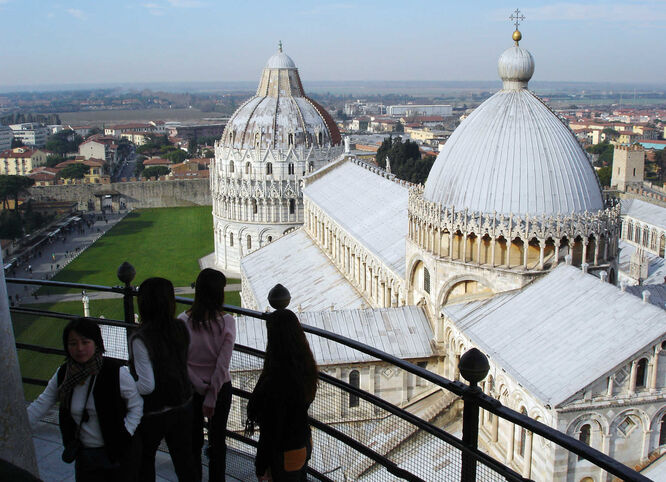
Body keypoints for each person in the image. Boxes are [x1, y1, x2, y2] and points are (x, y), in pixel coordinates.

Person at [27, 317, 143, 481]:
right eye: (73, 344)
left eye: (85, 342)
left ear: (96, 343)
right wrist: (17, 425)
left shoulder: (115, 372)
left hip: (118, 453)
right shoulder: (64, 374)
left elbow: (136, 405)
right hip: (85, 456)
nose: (79, 348)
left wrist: (126, 432)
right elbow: (42, 403)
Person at [130, 277, 194, 482]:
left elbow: (146, 385)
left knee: (145, 461)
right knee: (185, 461)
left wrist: (126, 387)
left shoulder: (140, 338)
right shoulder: (181, 327)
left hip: (153, 411)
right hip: (182, 404)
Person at [246, 309, 318, 481]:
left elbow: (271, 431)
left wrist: (261, 465)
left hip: (285, 450)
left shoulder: (277, 379)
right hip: (303, 442)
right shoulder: (306, 366)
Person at [178, 268, 236, 482]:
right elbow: (223, 363)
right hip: (220, 390)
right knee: (217, 441)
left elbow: (181, 361)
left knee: (193, 440)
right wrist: (211, 394)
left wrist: (199, 387)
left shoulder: (182, 321)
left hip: (191, 390)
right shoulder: (227, 321)